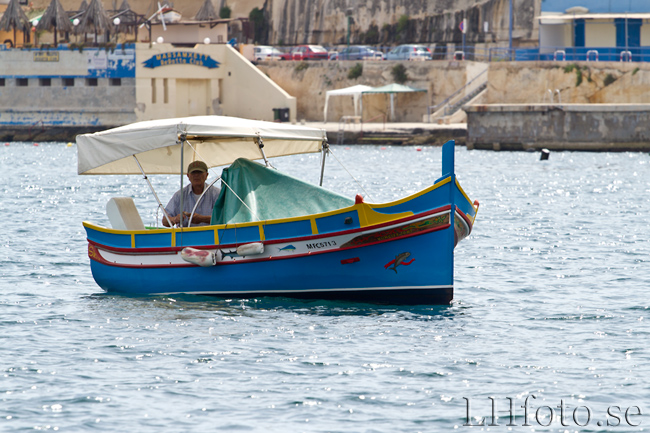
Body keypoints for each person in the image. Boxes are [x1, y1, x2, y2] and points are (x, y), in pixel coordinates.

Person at [162, 160, 221, 227]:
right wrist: (175, 219)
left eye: (199, 172)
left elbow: (224, 218)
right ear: (188, 176)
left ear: (206, 175)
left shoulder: (216, 194)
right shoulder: (179, 195)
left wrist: (202, 219)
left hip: (211, 235)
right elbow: (164, 221)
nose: (196, 175)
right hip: (185, 236)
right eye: (193, 173)